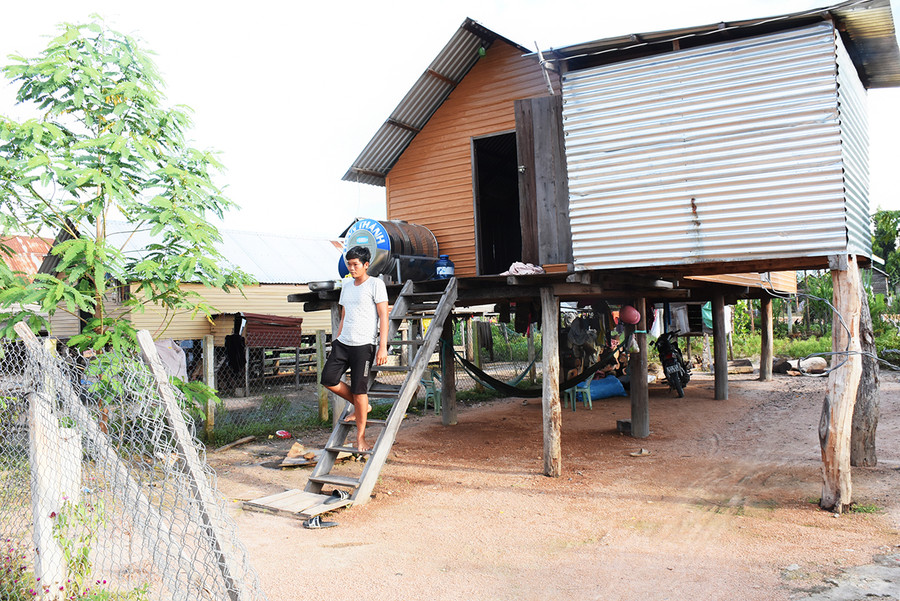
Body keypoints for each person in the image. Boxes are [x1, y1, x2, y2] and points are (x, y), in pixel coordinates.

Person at [320, 246, 389, 452]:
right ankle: (362, 407)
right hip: (343, 342)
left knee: (360, 390)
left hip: (364, 345)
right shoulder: (347, 285)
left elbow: (384, 316)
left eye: (355, 264)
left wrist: (382, 347)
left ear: (366, 265)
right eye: (349, 264)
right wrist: (337, 338)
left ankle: (361, 438)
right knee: (328, 379)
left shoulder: (376, 284)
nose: (351, 268)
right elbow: (344, 315)